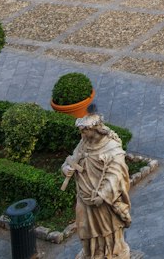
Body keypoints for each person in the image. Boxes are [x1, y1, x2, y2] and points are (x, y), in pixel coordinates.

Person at [61, 111, 133, 259]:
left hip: (103, 199)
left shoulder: (112, 148)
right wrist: (66, 168)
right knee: (84, 226)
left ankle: (112, 253)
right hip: (84, 195)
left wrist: (103, 194)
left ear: (96, 129)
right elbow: (72, 159)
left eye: (85, 130)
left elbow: (116, 175)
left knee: (108, 228)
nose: (82, 134)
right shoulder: (84, 143)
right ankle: (90, 254)